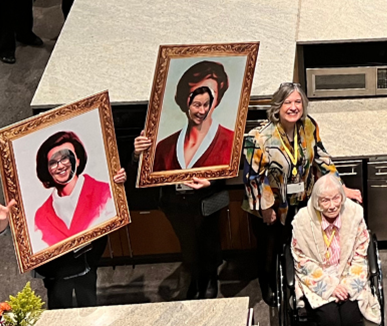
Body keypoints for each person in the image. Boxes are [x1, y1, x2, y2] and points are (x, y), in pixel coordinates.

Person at [242, 83, 361, 305]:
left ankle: (293, 283)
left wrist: (340, 187)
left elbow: (321, 158)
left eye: (298, 102)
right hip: (271, 206)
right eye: (288, 102)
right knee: (269, 248)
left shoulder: (308, 126)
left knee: (297, 244)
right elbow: (253, 178)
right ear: (277, 107)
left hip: (301, 200)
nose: (293, 107)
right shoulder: (258, 138)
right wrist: (266, 209)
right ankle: (267, 284)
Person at [0, 174, 126, 309]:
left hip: (87, 258)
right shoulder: (28, 193)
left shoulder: (86, 186)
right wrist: (0, 221)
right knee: (59, 310)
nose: (59, 167)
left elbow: (107, 200)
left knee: (89, 307)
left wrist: (115, 182)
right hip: (54, 267)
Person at [131, 135, 223, 300]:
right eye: (195, 105)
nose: (200, 109)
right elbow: (140, 171)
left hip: (207, 197)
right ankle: (194, 278)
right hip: (174, 200)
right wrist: (138, 155)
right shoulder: (161, 125)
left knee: (210, 241)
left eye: (203, 106)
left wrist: (212, 182)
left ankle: (210, 278)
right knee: (188, 243)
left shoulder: (212, 126)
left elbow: (227, 160)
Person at [290, 174, 381, 326]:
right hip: (319, 276)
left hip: (348, 273)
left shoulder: (354, 214)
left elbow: (361, 253)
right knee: (330, 320)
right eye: (325, 200)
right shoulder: (302, 221)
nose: (332, 205)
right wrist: (331, 287)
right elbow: (302, 261)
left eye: (336, 198)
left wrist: (346, 286)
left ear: (342, 197)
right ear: (317, 202)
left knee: (351, 318)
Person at [32, 131, 118, 250]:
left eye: (66, 158)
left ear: (77, 160)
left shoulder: (104, 193)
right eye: (53, 162)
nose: (61, 166)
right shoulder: (41, 216)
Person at [152, 61, 236, 171]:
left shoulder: (232, 141)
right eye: (196, 94)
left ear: (218, 99)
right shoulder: (164, 147)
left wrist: (211, 184)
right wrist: (137, 155)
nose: (202, 110)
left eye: (210, 95)